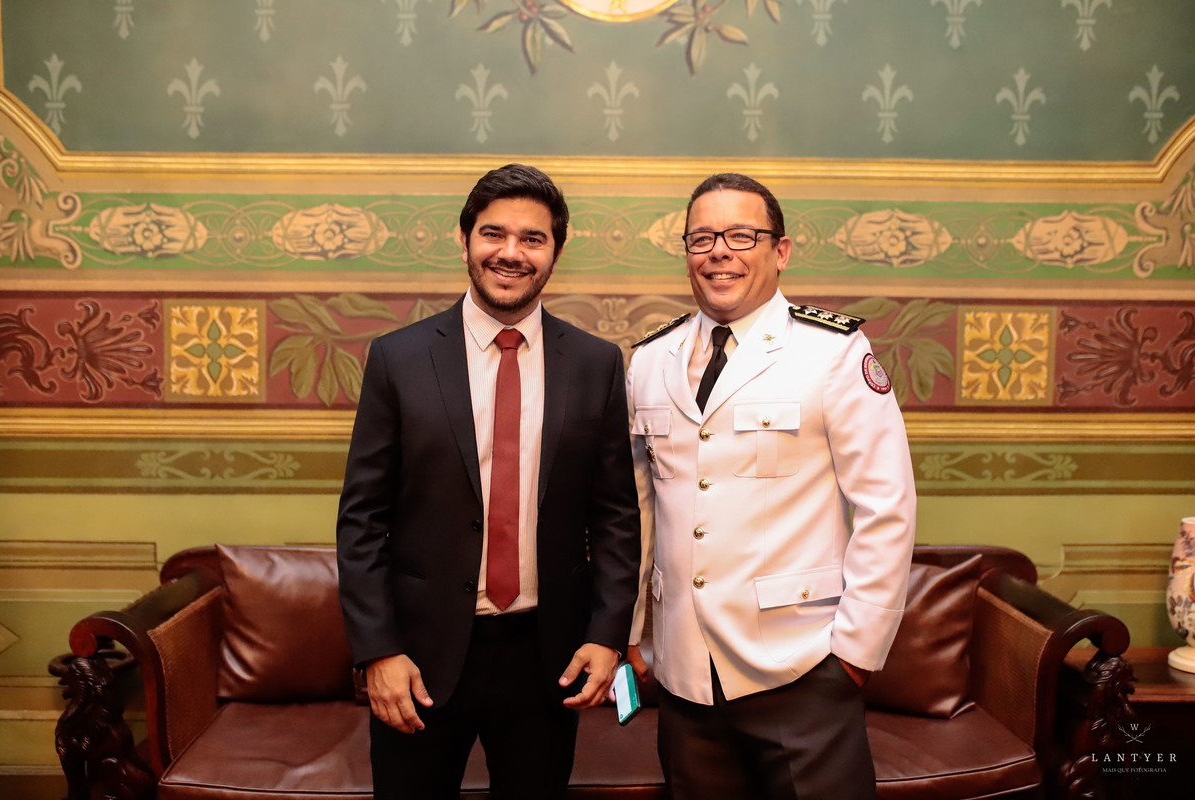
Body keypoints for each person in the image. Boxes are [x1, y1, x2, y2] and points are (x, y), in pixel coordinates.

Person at [337, 163, 641, 800]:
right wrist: (377, 650)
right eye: (493, 234)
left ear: (556, 249)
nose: (510, 253)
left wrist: (607, 635)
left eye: (532, 238)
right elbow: (363, 518)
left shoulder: (596, 364)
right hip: (417, 659)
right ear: (465, 240)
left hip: (546, 657)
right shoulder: (399, 358)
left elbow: (614, 516)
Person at [625, 173, 917, 800]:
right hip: (684, 676)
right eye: (701, 237)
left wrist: (854, 657)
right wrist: (634, 636)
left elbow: (886, 508)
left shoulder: (832, 353)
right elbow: (640, 511)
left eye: (740, 235)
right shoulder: (650, 360)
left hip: (802, 667)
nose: (719, 251)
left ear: (779, 252)